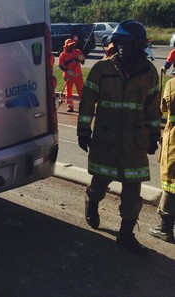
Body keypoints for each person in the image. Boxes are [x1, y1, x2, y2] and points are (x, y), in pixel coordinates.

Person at [77, 20, 161, 256]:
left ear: (138, 44)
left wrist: (154, 135)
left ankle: (126, 234)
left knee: (133, 189)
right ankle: (92, 201)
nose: (121, 47)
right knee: (100, 182)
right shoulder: (102, 69)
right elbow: (87, 102)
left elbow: (153, 107)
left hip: (135, 142)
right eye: (118, 43)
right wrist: (83, 130)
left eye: (126, 43)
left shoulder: (149, 73)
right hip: (107, 139)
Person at [148, 75, 175, 243]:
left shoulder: (172, 84)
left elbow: (164, 109)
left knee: (171, 184)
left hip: (173, 140)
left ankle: (165, 229)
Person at [58, 37, 85, 112]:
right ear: (66, 46)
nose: (72, 46)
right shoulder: (63, 55)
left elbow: (83, 62)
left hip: (78, 76)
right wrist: (67, 70)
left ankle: (84, 106)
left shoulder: (77, 52)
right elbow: (60, 66)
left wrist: (80, 59)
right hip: (68, 76)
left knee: (81, 91)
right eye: (70, 45)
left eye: (73, 45)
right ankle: (70, 106)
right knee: (68, 91)